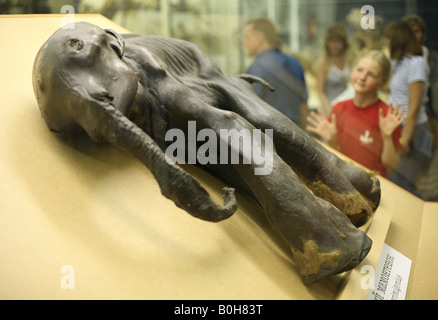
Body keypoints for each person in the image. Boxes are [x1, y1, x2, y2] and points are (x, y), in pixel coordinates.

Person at [307, 50, 405, 178]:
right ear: (352, 71)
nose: (362, 77)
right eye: (359, 70)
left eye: (371, 75)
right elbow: (335, 160)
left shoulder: (387, 116)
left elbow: (391, 165)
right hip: (342, 180)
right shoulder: (339, 108)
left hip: (372, 186)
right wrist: (331, 142)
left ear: (382, 83)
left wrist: (387, 136)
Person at [385, 20, 434, 197]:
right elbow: (396, 92)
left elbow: (414, 106)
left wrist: (404, 140)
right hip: (400, 126)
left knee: (405, 186)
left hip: (414, 131)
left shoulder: (417, 64)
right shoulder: (400, 63)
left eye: (389, 39)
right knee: (396, 181)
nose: (387, 43)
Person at [243, 17, 309, 129]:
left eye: (247, 38)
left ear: (259, 40)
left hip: (269, 138)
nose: (245, 43)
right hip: (296, 135)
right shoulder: (295, 63)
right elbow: (303, 107)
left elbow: (251, 113)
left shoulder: (254, 70)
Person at [315, 24, 353, 115]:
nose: (336, 46)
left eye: (339, 42)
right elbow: (320, 92)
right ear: (327, 43)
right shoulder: (323, 63)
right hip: (329, 109)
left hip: (346, 109)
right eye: (333, 42)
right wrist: (330, 112)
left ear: (344, 43)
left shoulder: (350, 60)